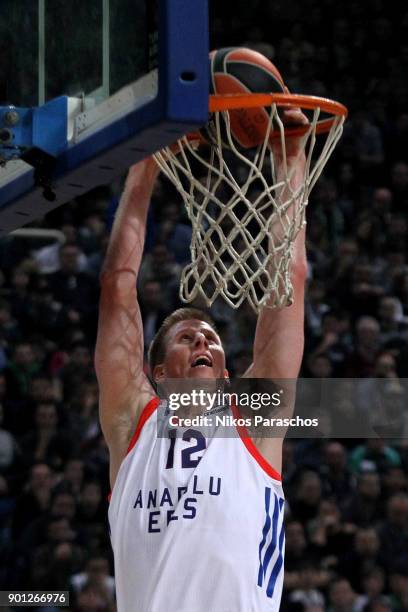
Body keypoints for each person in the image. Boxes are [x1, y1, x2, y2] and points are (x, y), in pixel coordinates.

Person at [95, 107, 308, 611]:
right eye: (188, 337)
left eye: (211, 339)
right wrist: (145, 163)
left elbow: (290, 281)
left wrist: (290, 161)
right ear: (160, 372)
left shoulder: (253, 420)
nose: (204, 344)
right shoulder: (133, 423)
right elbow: (117, 286)